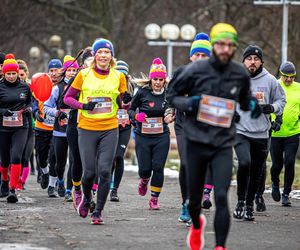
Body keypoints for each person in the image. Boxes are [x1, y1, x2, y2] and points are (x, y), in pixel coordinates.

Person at [167, 23, 262, 250]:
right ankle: (197, 226)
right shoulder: (193, 71)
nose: (225, 49)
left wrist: (251, 104)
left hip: (222, 143)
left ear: (234, 47)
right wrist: (191, 103)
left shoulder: (239, 73)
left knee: (221, 197)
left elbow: (243, 98)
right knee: (195, 200)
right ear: (214, 45)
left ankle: (220, 246)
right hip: (196, 141)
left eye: (230, 45)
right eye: (220, 44)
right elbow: (172, 96)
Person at [64, 38, 128, 224]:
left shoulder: (119, 76)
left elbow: (122, 103)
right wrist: (84, 105)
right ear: (95, 55)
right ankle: (86, 199)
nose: (103, 55)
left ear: (111, 56)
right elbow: (67, 99)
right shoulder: (84, 74)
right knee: (89, 173)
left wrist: (127, 101)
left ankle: (98, 211)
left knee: (105, 172)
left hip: (109, 128)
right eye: (100, 52)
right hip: (87, 128)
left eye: (107, 52)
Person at [233, 45, 286, 221]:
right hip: (241, 131)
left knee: (256, 171)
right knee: (244, 163)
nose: (252, 62)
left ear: (261, 62)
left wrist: (272, 108)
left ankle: (249, 206)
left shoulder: (271, 81)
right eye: (249, 59)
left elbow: (281, 100)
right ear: (244, 62)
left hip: (261, 134)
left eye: (256, 59)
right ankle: (240, 202)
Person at [165, 32, 212, 223]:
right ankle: (186, 203)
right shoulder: (181, 73)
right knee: (186, 163)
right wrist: (174, 107)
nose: (200, 59)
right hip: (184, 125)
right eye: (197, 55)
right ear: (191, 56)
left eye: (204, 55)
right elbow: (170, 96)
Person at [128, 58, 171, 210]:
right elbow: (130, 109)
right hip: (143, 136)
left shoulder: (168, 94)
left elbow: (173, 109)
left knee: (158, 167)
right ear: (151, 79)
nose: (158, 82)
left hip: (161, 135)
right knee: (145, 169)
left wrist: (171, 116)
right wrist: (136, 116)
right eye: (155, 79)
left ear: (164, 80)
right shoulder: (142, 92)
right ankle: (144, 179)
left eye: (161, 79)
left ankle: (154, 199)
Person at [44, 55, 79, 200]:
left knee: (74, 160)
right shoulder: (57, 89)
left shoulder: (81, 87)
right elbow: (46, 107)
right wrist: (58, 113)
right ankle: (59, 181)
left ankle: (69, 190)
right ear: (64, 72)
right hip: (60, 130)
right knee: (60, 163)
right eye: (69, 70)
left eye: (74, 70)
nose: (72, 73)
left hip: (76, 129)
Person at [64, 47, 94, 209]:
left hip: (95, 125)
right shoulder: (77, 78)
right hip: (75, 124)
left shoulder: (104, 78)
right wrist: (83, 105)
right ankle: (77, 190)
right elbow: (65, 100)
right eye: (89, 63)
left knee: (92, 163)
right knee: (77, 160)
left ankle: (89, 195)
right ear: (83, 65)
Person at [0, 54, 32, 202]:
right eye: (9, 74)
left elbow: (30, 103)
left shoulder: (25, 86)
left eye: (14, 73)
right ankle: (5, 181)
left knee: (16, 156)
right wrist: (2, 111)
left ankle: (13, 189)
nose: (12, 76)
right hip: (3, 128)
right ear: (4, 74)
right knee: (4, 160)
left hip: (21, 126)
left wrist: (28, 109)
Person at [270, 61, 300, 207]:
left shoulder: (299, 88)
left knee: (289, 162)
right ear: (280, 74)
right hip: (275, 133)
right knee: (277, 164)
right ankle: (275, 182)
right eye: (285, 76)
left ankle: (286, 194)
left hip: (293, 133)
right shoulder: (274, 86)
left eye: (291, 77)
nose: (288, 79)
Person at [33, 59, 61, 196]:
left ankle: (52, 185)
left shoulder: (63, 86)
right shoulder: (42, 83)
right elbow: (33, 101)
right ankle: (44, 172)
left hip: (56, 129)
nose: (54, 73)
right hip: (41, 127)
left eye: (56, 70)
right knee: (41, 157)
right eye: (51, 71)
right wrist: (35, 112)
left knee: (54, 158)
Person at [110, 60, 133, 202]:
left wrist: (132, 112)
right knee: (109, 158)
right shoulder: (109, 86)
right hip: (110, 125)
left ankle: (114, 190)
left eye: (124, 75)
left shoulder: (132, 88)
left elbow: (137, 107)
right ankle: (104, 183)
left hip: (125, 127)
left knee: (118, 156)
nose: (121, 78)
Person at [16, 59, 35, 190]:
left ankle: (21, 182)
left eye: (22, 75)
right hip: (15, 126)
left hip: (30, 124)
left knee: (26, 156)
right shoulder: (11, 86)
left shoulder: (31, 86)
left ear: (26, 74)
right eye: (18, 75)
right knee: (16, 155)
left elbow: (38, 103)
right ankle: (15, 181)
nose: (20, 77)